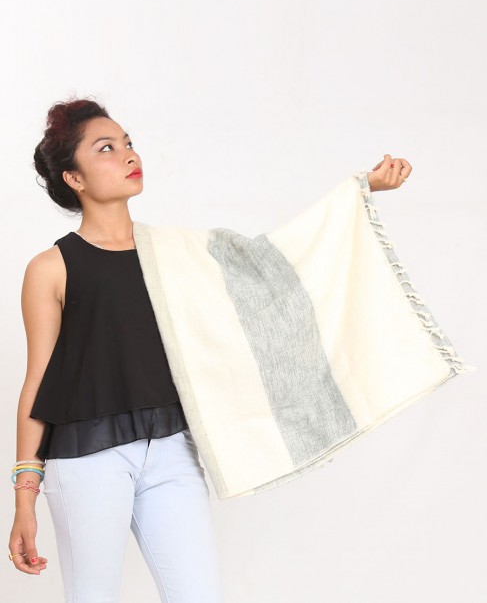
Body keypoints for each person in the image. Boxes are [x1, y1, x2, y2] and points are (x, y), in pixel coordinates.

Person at [8, 96, 411, 602]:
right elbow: (38, 381)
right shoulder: (50, 268)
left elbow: (269, 265)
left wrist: (359, 192)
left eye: (128, 143)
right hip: (87, 459)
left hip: (173, 452)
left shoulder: (176, 253)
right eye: (106, 148)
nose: (129, 155)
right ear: (74, 178)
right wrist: (25, 496)